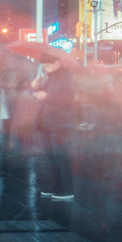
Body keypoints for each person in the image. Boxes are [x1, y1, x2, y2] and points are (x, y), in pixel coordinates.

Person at [35, 55, 77, 200]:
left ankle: (67, 188)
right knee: (51, 156)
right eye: (44, 66)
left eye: (48, 66)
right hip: (47, 122)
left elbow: (67, 98)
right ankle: (58, 186)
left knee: (60, 156)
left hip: (59, 123)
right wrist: (36, 87)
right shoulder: (50, 77)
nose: (45, 69)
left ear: (57, 62)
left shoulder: (65, 77)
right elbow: (43, 95)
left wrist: (45, 95)